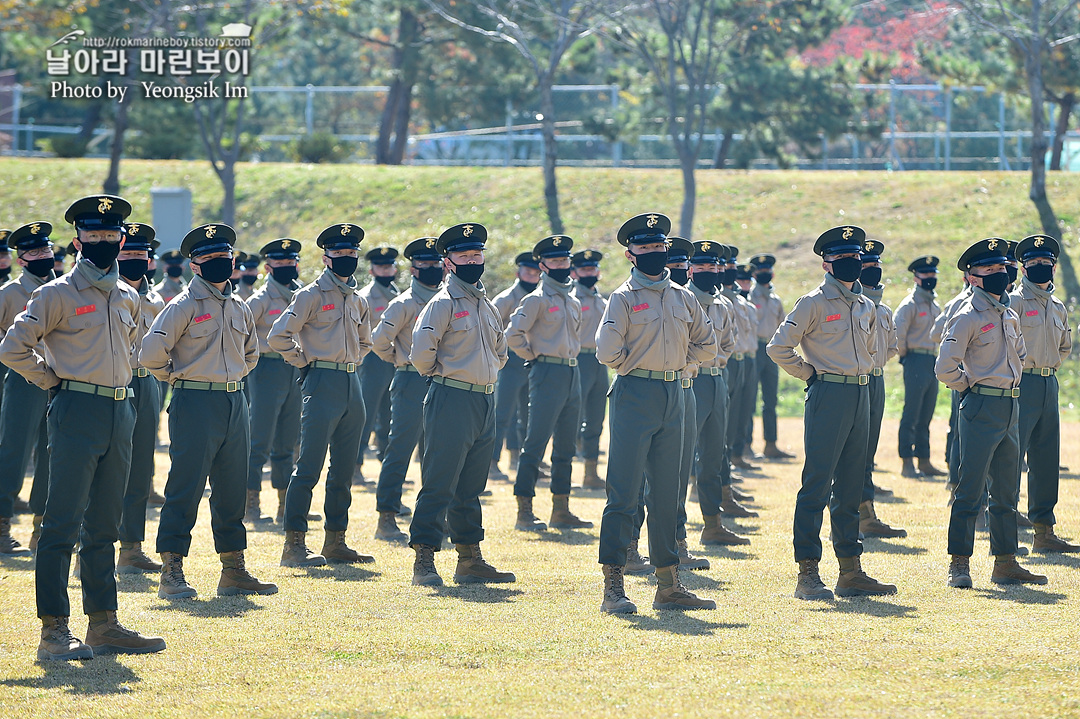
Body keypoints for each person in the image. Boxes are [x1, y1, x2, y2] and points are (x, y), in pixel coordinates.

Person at [0, 194, 164, 659]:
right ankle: (54, 631)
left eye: (112, 236)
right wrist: (51, 379)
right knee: (61, 524)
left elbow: (132, 350)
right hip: (76, 410)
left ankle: (104, 624)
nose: (104, 243)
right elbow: (12, 347)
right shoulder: (54, 294)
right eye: (94, 236)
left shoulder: (129, 295)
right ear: (77, 242)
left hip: (121, 409)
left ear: (122, 238)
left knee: (104, 525)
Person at [141, 222, 277, 600]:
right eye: (210, 257)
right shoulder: (182, 307)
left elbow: (251, 353)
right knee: (185, 487)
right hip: (194, 402)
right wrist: (183, 378)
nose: (219, 262)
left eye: (224, 256)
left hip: (235, 401)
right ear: (195, 265)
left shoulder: (239, 306)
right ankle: (172, 570)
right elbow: (150, 355)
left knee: (232, 489)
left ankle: (233, 570)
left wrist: (228, 377)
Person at [596, 212, 717, 614]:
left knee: (667, 494)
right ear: (631, 254)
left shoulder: (684, 297)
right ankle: (614, 584)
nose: (652, 252)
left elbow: (707, 343)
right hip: (635, 395)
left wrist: (681, 363)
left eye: (658, 246)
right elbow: (607, 352)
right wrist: (640, 364)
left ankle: (668, 586)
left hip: (675, 393)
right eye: (644, 247)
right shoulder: (623, 297)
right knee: (624, 492)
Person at [767, 225, 896, 601]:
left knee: (852, 485)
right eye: (842, 258)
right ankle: (807, 573)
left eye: (855, 257)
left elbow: (873, 351)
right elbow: (779, 348)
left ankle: (850, 571)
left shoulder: (866, 305)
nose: (851, 263)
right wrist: (810, 374)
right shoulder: (813, 303)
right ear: (826, 263)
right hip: (828, 396)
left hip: (861, 396)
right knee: (818, 484)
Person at [408, 222, 515, 587]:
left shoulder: (485, 304)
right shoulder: (443, 303)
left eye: (477, 253)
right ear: (448, 262)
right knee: (439, 482)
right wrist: (448, 375)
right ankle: (424, 559)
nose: (473, 260)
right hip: (451, 397)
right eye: (464, 255)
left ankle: (469, 559)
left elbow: (500, 350)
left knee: (471, 485)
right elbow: (421, 354)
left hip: (484, 400)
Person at [936, 238, 1047, 588]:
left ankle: (1005, 563)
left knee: (1007, 491)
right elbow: (944, 366)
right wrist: (968, 386)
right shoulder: (966, 316)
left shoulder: (1010, 314)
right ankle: (959, 564)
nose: (1000, 273)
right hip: (981, 404)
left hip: (1011, 405)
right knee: (970, 489)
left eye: (1002, 268)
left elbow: (1021, 355)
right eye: (990, 269)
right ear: (972, 277)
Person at [268, 224, 375, 568]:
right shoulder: (310, 295)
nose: (346, 259)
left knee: (344, 470)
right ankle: (294, 545)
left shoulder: (358, 299)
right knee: (309, 467)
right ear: (326, 257)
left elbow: (366, 341)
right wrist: (305, 362)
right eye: (340, 253)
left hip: (350, 384)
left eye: (351, 253)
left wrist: (351, 361)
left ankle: (335, 541)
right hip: (321, 383)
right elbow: (278, 336)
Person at [506, 235, 588, 532]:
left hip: (571, 373)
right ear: (542, 266)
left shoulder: (574, 299)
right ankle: (524, 511)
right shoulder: (536, 300)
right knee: (535, 443)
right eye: (554, 262)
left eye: (564, 261)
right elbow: (512, 334)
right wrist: (533, 356)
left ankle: (560, 509)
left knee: (566, 446)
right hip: (547, 372)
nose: (561, 266)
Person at [371, 237, 444, 542]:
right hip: (410, 380)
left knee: (436, 452)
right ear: (413, 269)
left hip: (440, 381)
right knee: (399, 450)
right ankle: (387, 518)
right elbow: (378, 342)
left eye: (436, 263)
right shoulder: (402, 304)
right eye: (425, 264)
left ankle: (433, 517)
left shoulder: (447, 301)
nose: (432, 269)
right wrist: (403, 361)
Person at [1009, 234, 1078, 553]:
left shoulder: (1058, 305)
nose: (1040, 268)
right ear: (1023, 269)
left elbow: (1065, 346)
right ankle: (1005, 531)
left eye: (1046, 264)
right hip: (1021, 385)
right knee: (1010, 459)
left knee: (1046, 459)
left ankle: (1043, 532)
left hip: (1049, 384)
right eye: (1033, 263)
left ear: (1053, 267)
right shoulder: (1015, 302)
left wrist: (1047, 367)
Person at [685, 241, 746, 547]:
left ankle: (712, 524)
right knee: (680, 458)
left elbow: (730, 342)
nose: (709, 271)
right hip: (691, 381)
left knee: (713, 455)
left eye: (713, 266)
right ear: (690, 268)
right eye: (702, 266)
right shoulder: (683, 300)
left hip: (717, 381)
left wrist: (717, 366)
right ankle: (674, 532)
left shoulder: (722, 304)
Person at [0, 222, 55, 556]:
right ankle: (3, 526)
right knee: (14, 454)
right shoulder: (9, 294)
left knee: (52, 456)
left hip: (58, 382)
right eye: (34, 252)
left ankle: (40, 528)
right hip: (22, 381)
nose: (42, 256)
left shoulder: (62, 289)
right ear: (21, 259)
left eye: (46, 250)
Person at [114, 222, 166, 575]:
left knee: (140, 468)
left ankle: (131, 548)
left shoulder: (156, 299)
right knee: (105, 467)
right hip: (116, 385)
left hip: (147, 385)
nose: (135, 259)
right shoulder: (108, 292)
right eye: (128, 253)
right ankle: (89, 544)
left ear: (149, 259)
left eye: (140, 254)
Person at [244, 239, 304, 525]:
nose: (286, 267)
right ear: (268, 268)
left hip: (295, 369)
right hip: (266, 370)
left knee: (288, 439)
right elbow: (239, 333)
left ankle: (284, 505)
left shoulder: (303, 294)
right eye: (279, 264)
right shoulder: (259, 300)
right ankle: (251, 504)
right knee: (260, 438)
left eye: (290, 262)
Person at [857, 240, 905, 540]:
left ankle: (866, 511)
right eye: (866, 267)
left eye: (876, 266)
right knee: (853, 450)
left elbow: (891, 348)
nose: (872, 271)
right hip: (855, 381)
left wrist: (875, 365)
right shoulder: (851, 306)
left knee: (869, 449)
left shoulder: (884, 310)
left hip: (876, 380)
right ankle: (854, 513)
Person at [490, 252, 541, 480]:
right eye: (527, 271)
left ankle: (521, 461)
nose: (532, 276)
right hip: (510, 363)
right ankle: (491, 462)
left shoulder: (541, 297)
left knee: (528, 416)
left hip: (532, 362)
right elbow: (489, 329)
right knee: (502, 414)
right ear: (518, 272)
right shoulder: (506, 299)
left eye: (535, 272)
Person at [894, 255, 944, 478]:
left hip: (932, 361)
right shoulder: (910, 305)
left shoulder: (935, 304)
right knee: (911, 413)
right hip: (914, 360)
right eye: (926, 274)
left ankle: (924, 460)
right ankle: (907, 463)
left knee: (927, 414)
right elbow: (898, 336)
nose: (930, 278)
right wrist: (907, 358)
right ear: (916, 277)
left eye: (933, 274)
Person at [356, 247, 401, 479]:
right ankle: (355, 466)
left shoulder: (396, 293)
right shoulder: (365, 296)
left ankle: (386, 464)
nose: (386, 270)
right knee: (366, 414)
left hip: (393, 360)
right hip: (372, 361)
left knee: (388, 416)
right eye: (381, 267)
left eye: (390, 266)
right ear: (372, 270)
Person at [570, 249, 608, 490]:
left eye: (592, 269)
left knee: (596, 418)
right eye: (584, 270)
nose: (589, 274)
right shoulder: (571, 299)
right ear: (574, 273)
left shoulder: (602, 301)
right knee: (572, 418)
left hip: (598, 362)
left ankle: (590, 473)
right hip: (577, 361)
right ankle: (562, 470)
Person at [719, 249, 758, 471]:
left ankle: (734, 457)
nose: (731, 271)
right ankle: (723, 468)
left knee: (740, 413)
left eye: (733, 266)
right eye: (727, 267)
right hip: (729, 360)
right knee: (725, 416)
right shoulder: (721, 300)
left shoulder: (743, 302)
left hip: (746, 359)